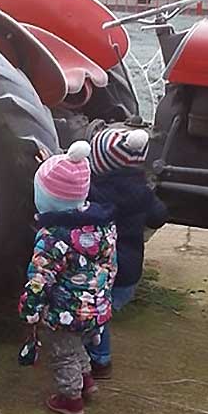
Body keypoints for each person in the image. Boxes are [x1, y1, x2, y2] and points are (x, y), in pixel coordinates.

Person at [18, 141, 117, 414]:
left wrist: (30, 308)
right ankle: (87, 381)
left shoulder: (52, 237)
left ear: (46, 199)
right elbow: (111, 265)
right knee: (78, 348)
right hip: (96, 308)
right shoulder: (104, 227)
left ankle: (70, 398)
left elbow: (40, 278)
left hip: (66, 314)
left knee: (64, 354)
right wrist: (103, 294)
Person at [86, 128, 168, 379]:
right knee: (100, 314)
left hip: (107, 272)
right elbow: (159, 217)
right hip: (130, 274)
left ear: (101, 164)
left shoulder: (97, 193)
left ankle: (99, 361)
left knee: (94, 315)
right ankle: (94, 355)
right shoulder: (142, 192)